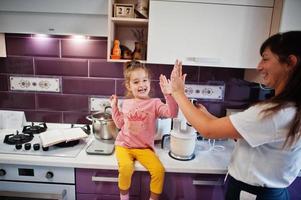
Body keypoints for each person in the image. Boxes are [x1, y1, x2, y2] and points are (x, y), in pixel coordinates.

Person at [162, 31, 301, 200]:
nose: (259, 66)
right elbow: (242, 133)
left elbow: (208, 130)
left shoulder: (276, 113)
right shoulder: (292, 108)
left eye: (265, 58)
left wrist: (178, 93)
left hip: (252, 195)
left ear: (290, 62)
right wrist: (207, 116)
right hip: (269, 193)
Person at [110, 60, 178, 200]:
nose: (141, 85)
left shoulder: (154, 103)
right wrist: (114, 107)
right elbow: (119, 125)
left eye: (144, 80)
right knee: (126, 168)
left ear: (149, 82)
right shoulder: (126, 103)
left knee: (158, 170)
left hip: (144, 148)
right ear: (129, 86)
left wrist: (168, 95)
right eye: (136, 82)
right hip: (124, 145)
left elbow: (172, 113)